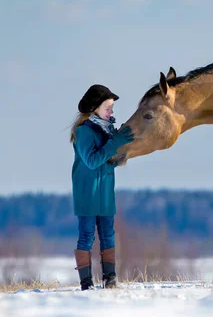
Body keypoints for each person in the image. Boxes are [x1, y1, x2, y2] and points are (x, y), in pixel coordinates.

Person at [69, 84, 135, 290]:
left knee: (108, 235)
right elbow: (91, 160)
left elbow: (109, 160)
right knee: (87, 235)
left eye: (112, 108)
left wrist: (122, 149)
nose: (111, 112)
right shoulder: (83, 132)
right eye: (108, 107)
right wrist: (114, 143)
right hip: (87, 194)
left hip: (105, 193)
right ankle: (86, 282)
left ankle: (110, 279)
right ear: (95, 108)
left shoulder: (106, 131)